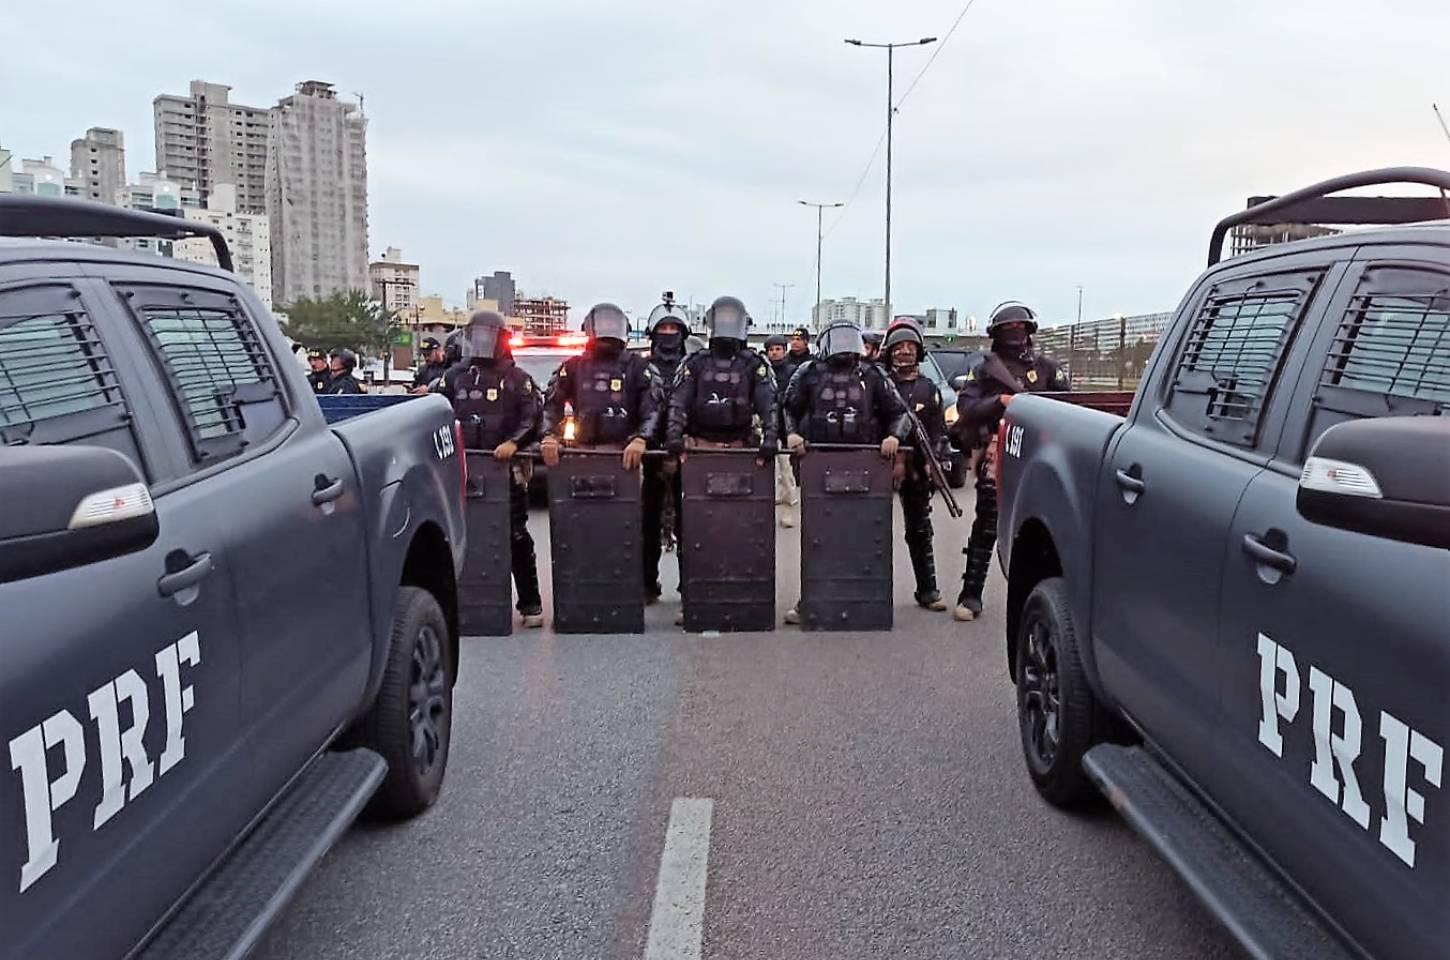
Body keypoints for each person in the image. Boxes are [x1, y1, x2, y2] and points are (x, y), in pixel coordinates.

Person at [780, 320, 911, 625]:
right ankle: (811, 600)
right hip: (820, 463)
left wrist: (894, 436)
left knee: (862, 536)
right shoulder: (809, 373)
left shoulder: (872, 374)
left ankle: (865, 600)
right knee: (819, 538)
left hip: (864, 462)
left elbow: (900, 412)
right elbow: (787, 407)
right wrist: (792, 434)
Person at [952, 301, 1069, 622]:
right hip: (999, 447)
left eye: (1020, 327)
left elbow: (1070, 405)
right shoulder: (985, 369)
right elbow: (966, 408)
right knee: (988, 521)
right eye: (1008, 329)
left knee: (1043, 525)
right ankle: (970, 594)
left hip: (1042, 451)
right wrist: (1001, 401)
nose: (1015, 333)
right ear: (996, 333)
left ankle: (1042, 601)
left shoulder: (1047, 368)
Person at [440, 310, 544, 628]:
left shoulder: (517, 378)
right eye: (477, 335)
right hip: (462, 467)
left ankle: (530, 602)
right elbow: (438, 413)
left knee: (515, 534)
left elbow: (532, 417)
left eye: (488, 335)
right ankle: (458, 604)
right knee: (459, 534)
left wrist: (514, 442)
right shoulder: (454, 376)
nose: (482, 341)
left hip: (505, 467)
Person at [540, 302, 660, 472]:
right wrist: (549, 436)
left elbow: (652, 408)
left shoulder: (638, 367)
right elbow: (552, 405)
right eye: (603, 323)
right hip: (582, 451)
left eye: (612, 324)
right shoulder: (574, 366)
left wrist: (641, 439)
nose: (607, 329)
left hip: (626, 454)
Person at [883, 320, 949, 611]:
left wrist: (939, 459)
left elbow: (938, 430)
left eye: (910, 347)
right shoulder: (880, 384)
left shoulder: (928, 388)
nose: (905, 352)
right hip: (881, 462)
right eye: (898, 347)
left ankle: (927, 590)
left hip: (917, 465)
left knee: (920, 529)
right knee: (867, 526)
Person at [641, 296, 692, 604]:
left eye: (674, 328)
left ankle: (690, 587)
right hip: (651, 452)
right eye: (664, 328)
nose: (669, 333)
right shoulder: (642, 367)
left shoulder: (695, 365)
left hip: (689, 453)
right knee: (648, 521)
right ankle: (647, 583)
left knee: (691, 524)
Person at [763, 334, 800, 522]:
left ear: (785, 351)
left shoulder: (793, 372)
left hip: (784, 427)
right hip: (765, 427)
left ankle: (787, 511)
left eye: (778, 349)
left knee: (786, 471)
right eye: (771, 350)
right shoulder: (762, 371)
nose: (774, 353)